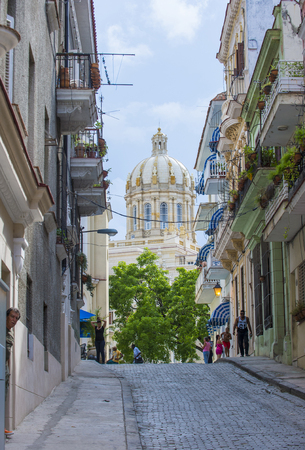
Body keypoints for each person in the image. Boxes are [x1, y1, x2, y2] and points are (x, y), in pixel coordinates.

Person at [5, 307, 20, 437]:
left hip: (4, 371)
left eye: (16, 318)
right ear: (6, 316)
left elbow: (8, 355)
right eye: (12, 317)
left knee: (2, 399)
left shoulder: (10, 334)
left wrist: (9, 372)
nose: (14, 320)